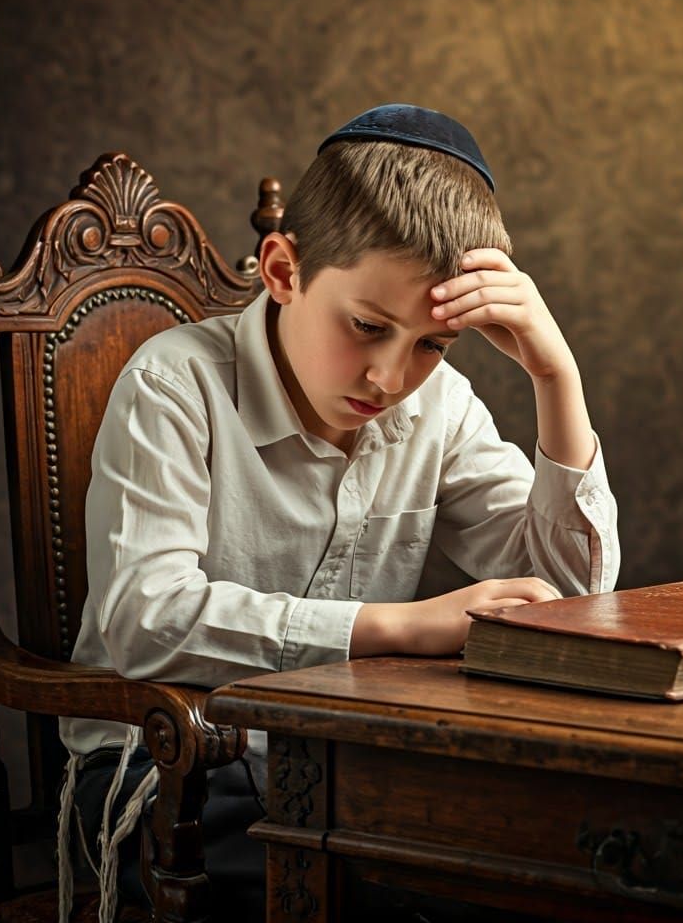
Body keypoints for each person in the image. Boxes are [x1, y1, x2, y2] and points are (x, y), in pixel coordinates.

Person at [58, 103, 619, 920]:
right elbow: (148, 621)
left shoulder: (442, 411)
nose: (390, 377)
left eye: (431, 344)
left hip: (340, 770)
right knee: (393, 896)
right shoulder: (175, 384)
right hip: (161, 775)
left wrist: (555, 379)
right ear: (283, 271)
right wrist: (406, 626)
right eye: (366, 326)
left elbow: (576, 598)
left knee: (533, 872)